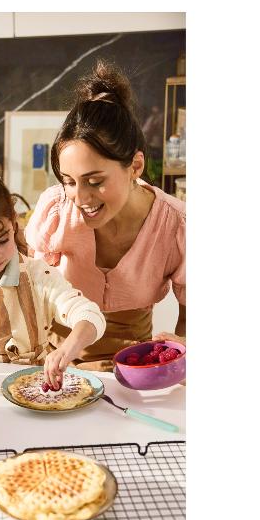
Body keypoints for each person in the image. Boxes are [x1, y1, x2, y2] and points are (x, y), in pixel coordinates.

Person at [25, 59, 186, 372]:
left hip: (133, 368)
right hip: (60, 365)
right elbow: (27, 283)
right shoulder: (56, 210)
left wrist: (179, 355)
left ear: (135, 167)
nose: (80, 198)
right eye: (69, 181)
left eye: (95, 181)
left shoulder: (176, 226)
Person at [0, 171, 106, 388]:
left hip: (37, 391)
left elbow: (90, 315)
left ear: (14, 224)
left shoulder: (39, 276)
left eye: (2, 240)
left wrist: (66, 349)